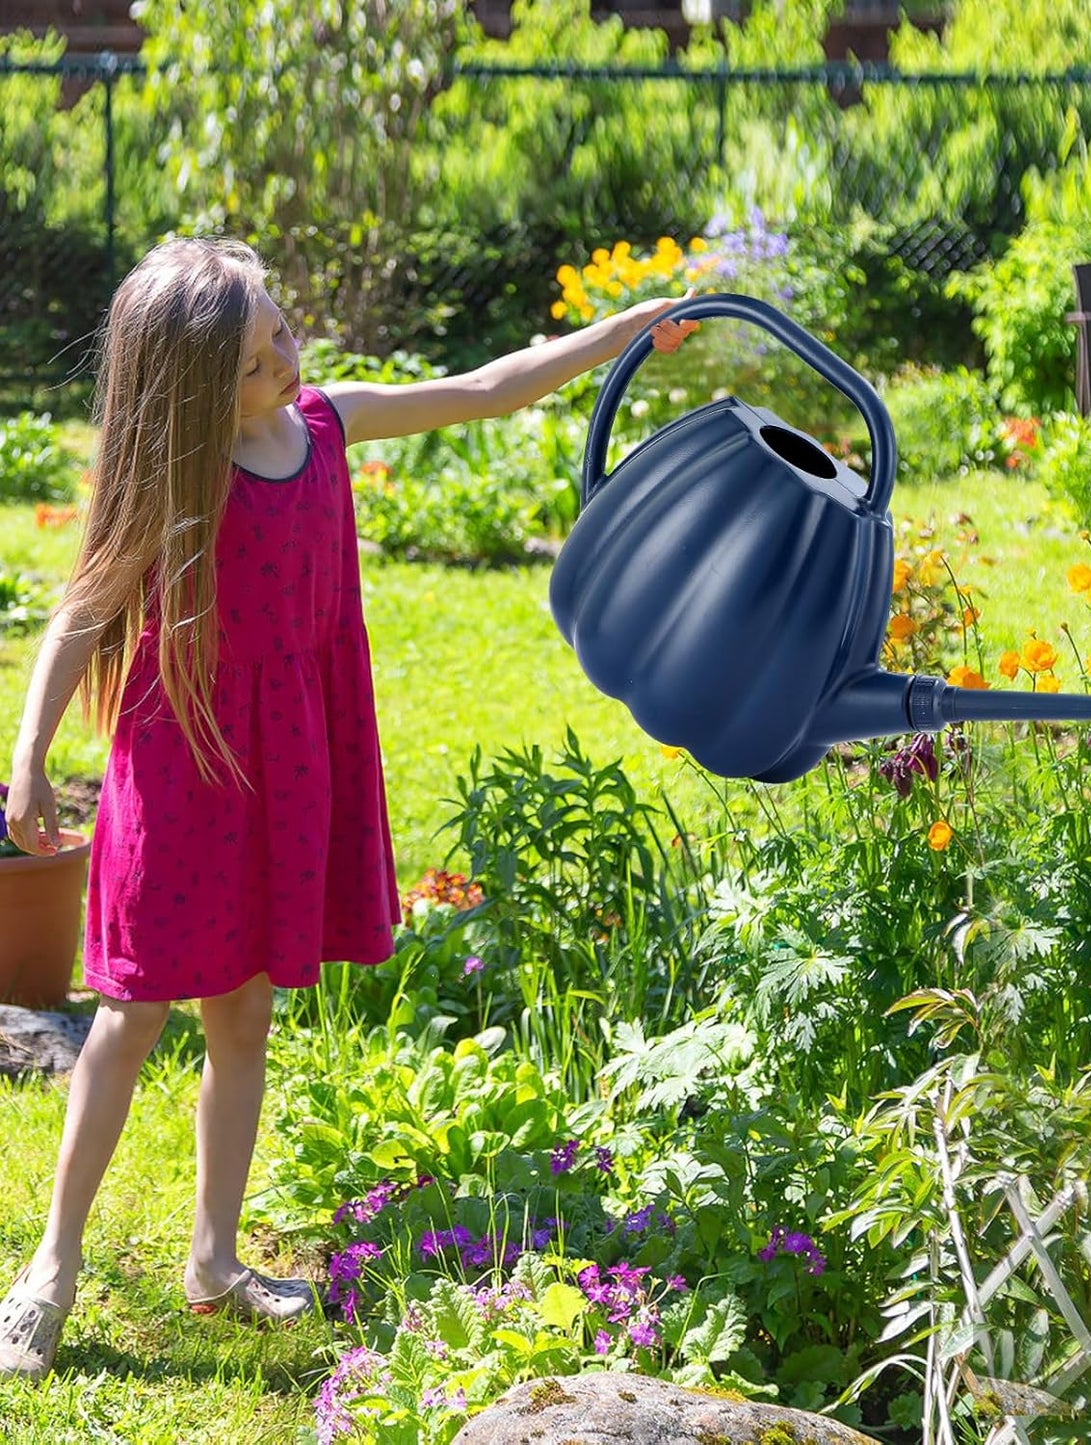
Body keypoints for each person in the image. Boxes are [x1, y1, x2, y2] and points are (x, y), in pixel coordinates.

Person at [0, 236, 698, 1380]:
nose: (288, 349)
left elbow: (485, 385)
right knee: (132, 1013)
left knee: (245, 1019)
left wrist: (622, 332)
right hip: (185, 766)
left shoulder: (323, 424)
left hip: (289, 759)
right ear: (192, 391)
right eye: (259, 352)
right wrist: (29, 758)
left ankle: (213, 1259)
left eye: (279, 323)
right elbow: (80, 615)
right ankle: (50, 1267)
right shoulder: (179, 478)